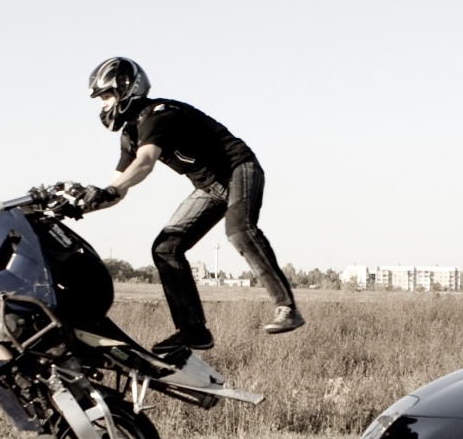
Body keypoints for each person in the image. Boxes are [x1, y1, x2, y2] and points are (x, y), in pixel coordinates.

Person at [79, 56, 304, 354]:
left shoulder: (159, 114)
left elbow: (144, 163)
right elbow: (117, 189)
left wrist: (110, 190)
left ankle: (287, 308)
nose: (102, 105)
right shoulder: (130, 134)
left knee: (239, 231)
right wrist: (79, 207)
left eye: (106, 96)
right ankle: (193, 331)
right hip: (209, 187)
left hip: (238, 169)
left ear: (125, 89)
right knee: (165, 248)